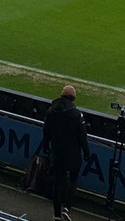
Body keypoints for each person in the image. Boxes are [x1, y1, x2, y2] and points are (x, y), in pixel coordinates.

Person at [40, 84, 90, 221]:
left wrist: (45, 146)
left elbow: (46, 131)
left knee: (58, 182)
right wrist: (86, 152)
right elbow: (82, 136)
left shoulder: (51, 111)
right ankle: (67, 208)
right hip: (73, 154)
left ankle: (56, 214)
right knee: (73, 180)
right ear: (73, 98)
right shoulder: (76, 114)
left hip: (57, 153)